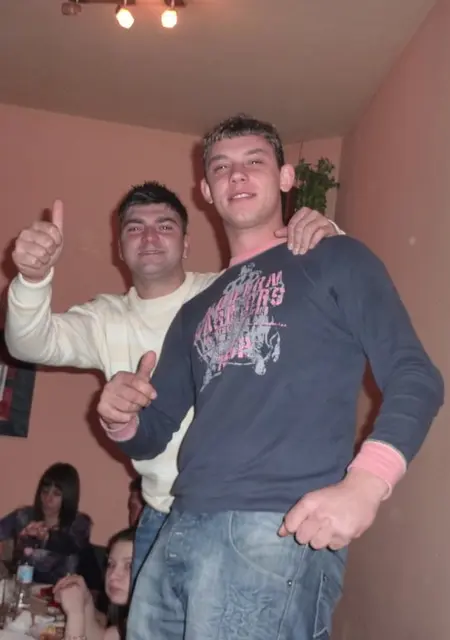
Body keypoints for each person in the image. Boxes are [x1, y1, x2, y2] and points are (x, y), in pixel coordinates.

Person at [97, 114, 444, 640]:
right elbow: (155, 429)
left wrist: (366, 484)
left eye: (253, 162)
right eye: (221, 167)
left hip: (273, 529)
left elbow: (416, 375)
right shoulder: (195, 310)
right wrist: (121, 417)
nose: (236, 175)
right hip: (176, 526)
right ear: (206, 191)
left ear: (285, 178)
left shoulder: (336, 257)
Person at [5, 181, 342, 582]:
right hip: (159, 515)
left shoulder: (226, 291)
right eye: (134, 228)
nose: (149, 237)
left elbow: (314, 294)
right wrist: (33, 278)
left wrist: (328, 235)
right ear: (119, 248)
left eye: (164, 226)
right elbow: (28, 342)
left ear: (185, 244)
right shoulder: (105, 318)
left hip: (238, 515)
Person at [0, 463, 91, 584]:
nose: (48, 499)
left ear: (69, 497)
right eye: (45, 491)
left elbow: (69, 544)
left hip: (62, 590)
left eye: (56, 494)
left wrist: (46, 536)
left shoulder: (79, 523)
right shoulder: (23, 516)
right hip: (21, 587)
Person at [54, 527, 134, 640]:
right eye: (111, 564)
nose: (113, 575)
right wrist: (85, 600)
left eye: (129, 566)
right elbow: (102, 638)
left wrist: (76, 616)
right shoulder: (132, 624)